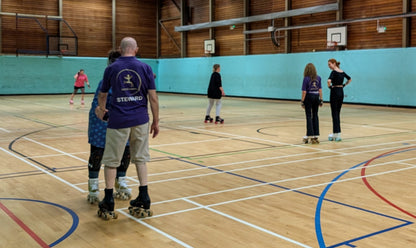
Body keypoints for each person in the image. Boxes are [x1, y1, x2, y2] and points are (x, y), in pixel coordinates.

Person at [95, 37, 159, 220]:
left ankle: (108, 199)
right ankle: (144, 196)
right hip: (140, 119)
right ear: (136, 49)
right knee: (140, 158)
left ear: (120, 49)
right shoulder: (146, 68)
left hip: (118, 120)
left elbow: (102, 94)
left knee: (111, 161)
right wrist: (156, 121)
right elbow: (153, 98)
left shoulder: (111, 68)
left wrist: (101, 109)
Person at [87, 50, 132, 204]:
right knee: (98, 152)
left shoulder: (128, 79)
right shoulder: (106, 80)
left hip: (121, 119)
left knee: (125, 151)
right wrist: (103, 113)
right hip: (101, 118)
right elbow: (101, 99)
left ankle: (121, 181)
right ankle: (93, 187)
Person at [327, 58, 352, 141]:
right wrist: (344, 85)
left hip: (334, 92)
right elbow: (350, 79)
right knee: (337, 113)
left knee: (334, 113)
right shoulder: (342, 72)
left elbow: (328, 81)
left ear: (334, 63)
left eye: (329, 64)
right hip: (341, 92)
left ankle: (336, 133)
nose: (329, 66)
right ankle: (337, 133)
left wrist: (330, 87)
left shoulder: (334, 72)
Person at [301, 63, 323, 144]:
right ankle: (315, 135)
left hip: (309, 97)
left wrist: (302, 101)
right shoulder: (318, 78)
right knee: (315, 115)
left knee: (308, 116)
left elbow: (304, 91)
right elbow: (320, 89)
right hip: (316, 96)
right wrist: (321, 99)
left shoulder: (306, 79)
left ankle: (309, 134)